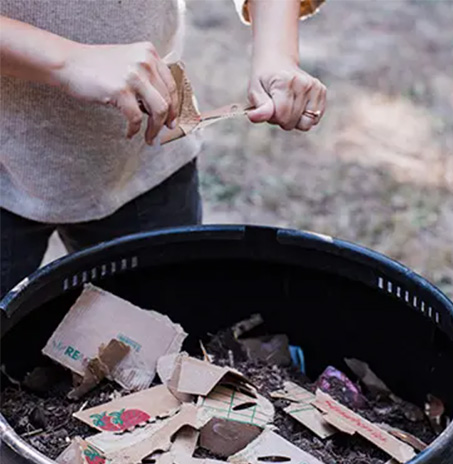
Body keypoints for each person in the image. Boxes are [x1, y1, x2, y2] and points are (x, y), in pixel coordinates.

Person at [0, 0, 327, 297]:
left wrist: (277, 56)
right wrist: (66, 60)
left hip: (146, 161)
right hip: (4, 166)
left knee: (165, 332)